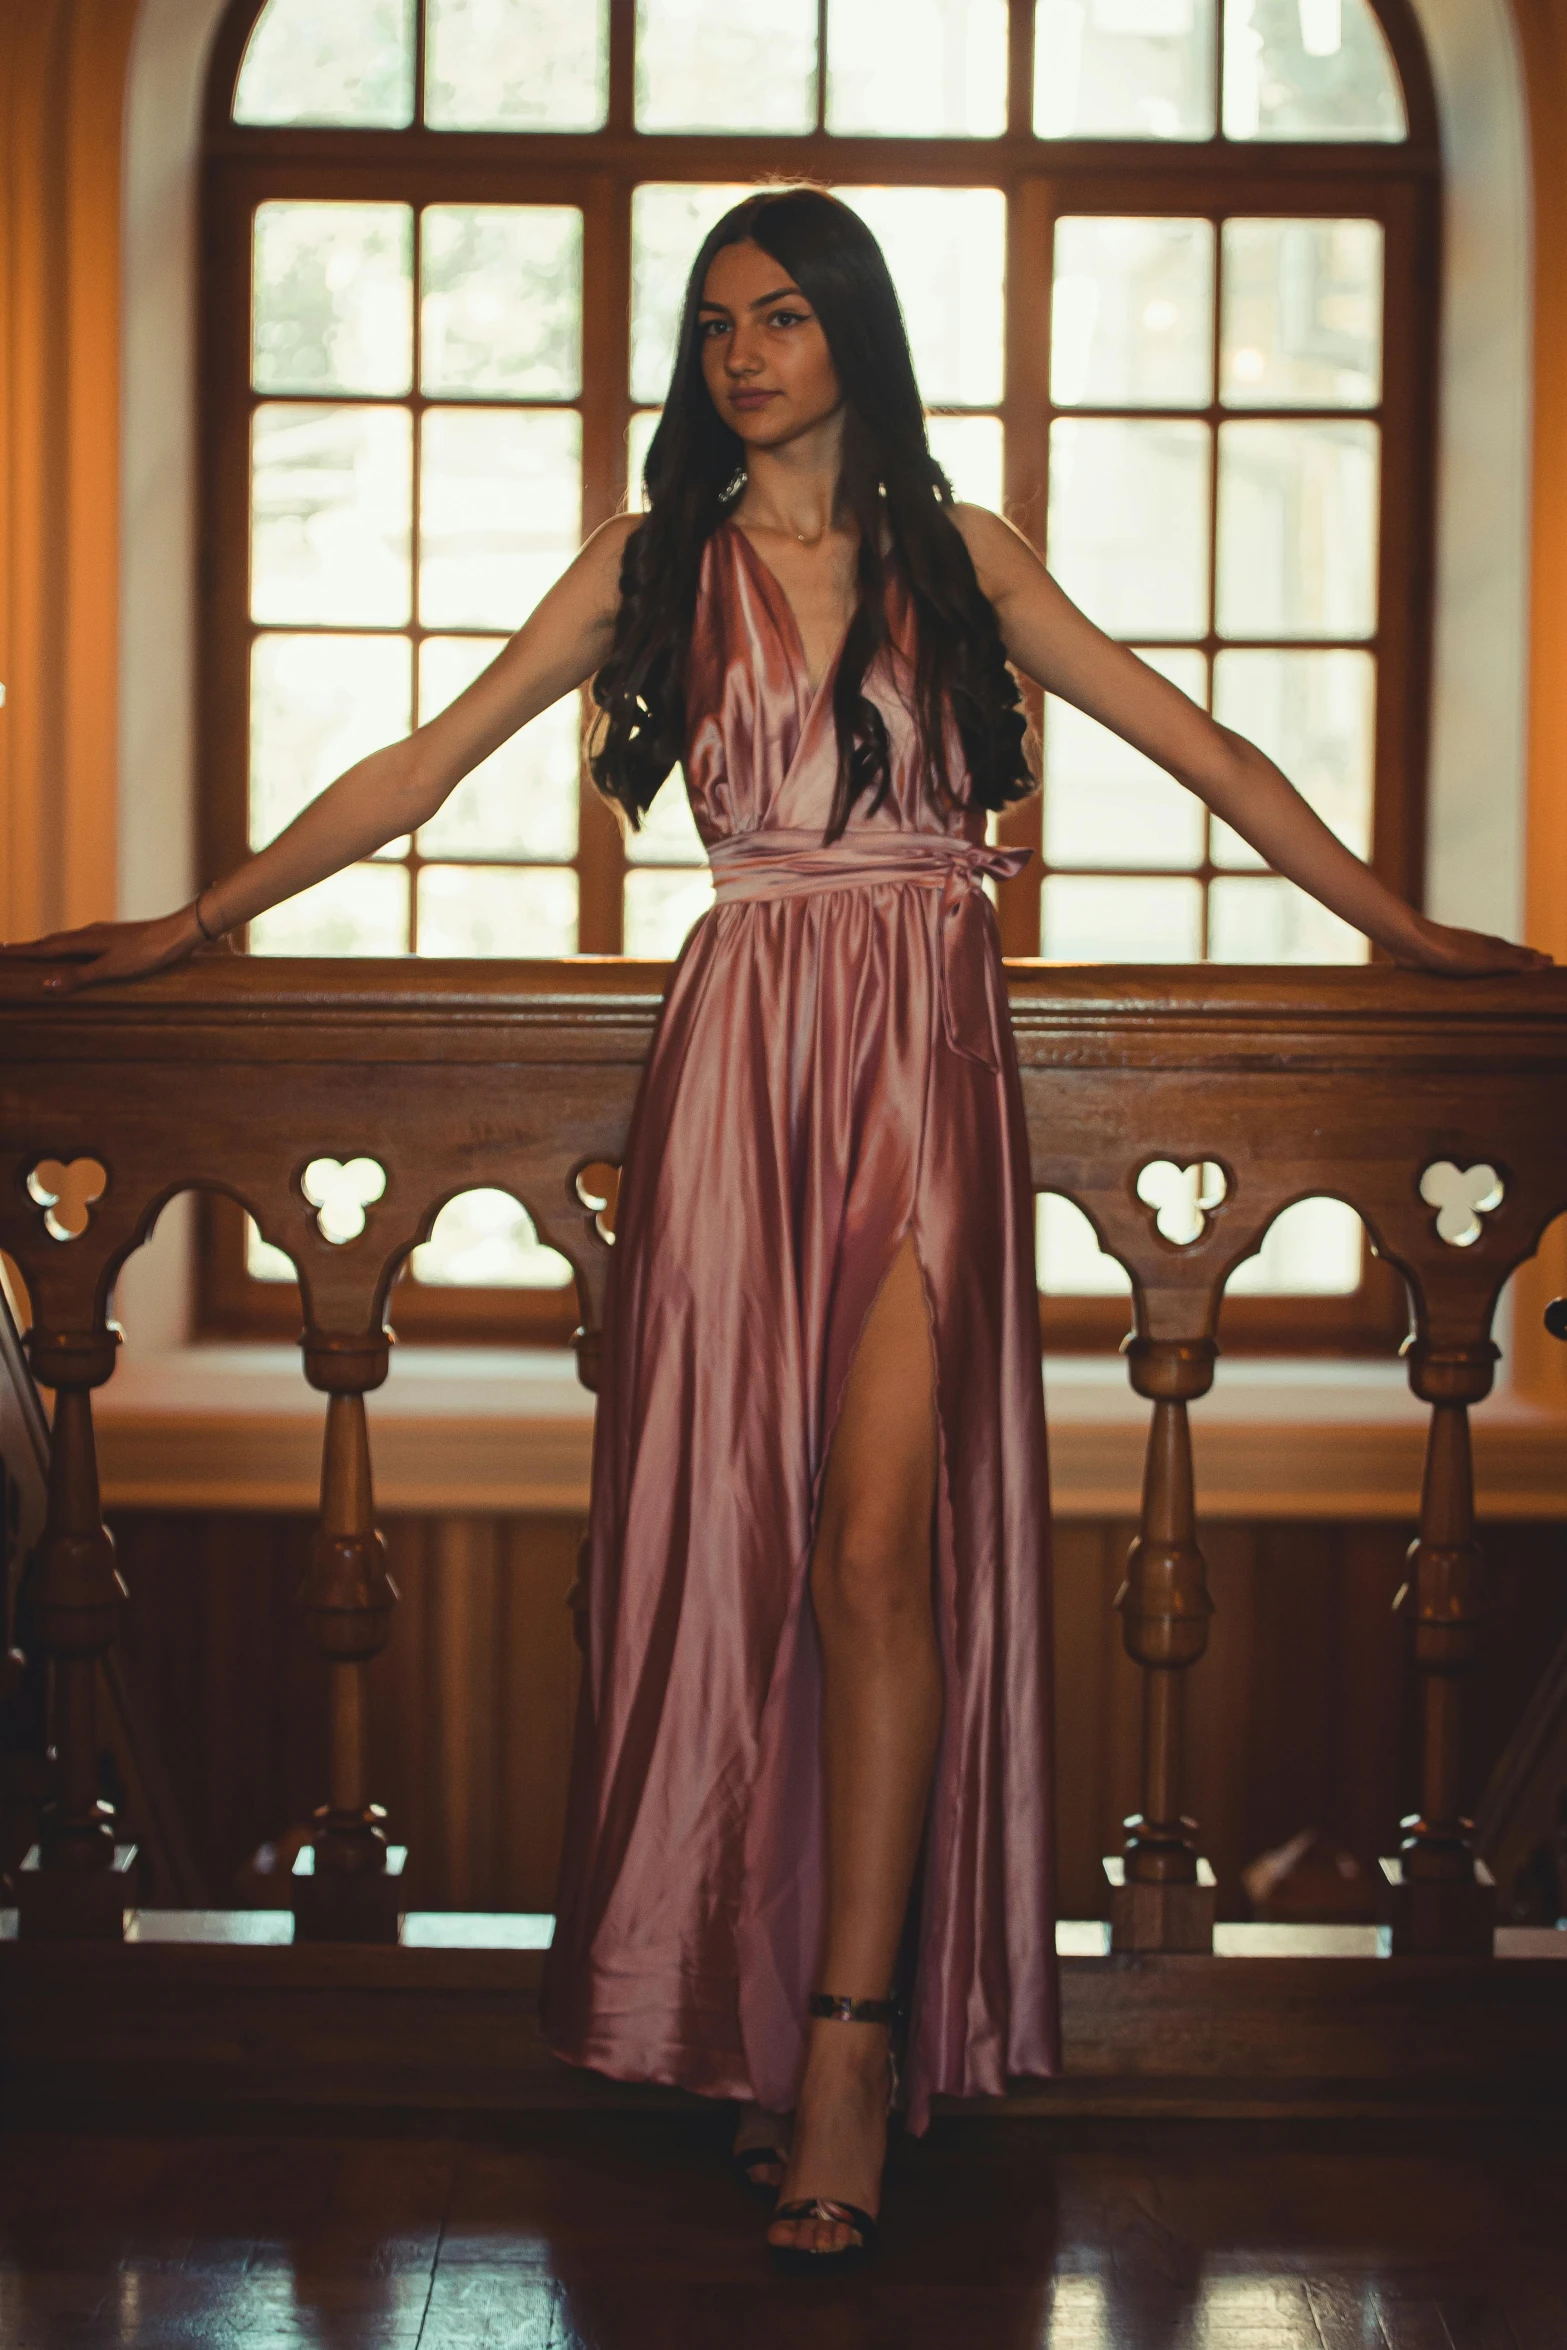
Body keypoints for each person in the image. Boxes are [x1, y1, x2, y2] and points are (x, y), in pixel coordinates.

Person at [5, 186, 1547, 2274]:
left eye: (787, 316)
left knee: (872, 1546)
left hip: (922, 1058)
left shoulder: (960, 558)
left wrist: (1413, 937)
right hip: (740, 1063)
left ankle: (848, 2046)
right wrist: (193, 924)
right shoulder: (656, 568)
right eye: (720, 321)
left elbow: (1199, 740)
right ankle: (757, 2020)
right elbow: (420, 761)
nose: (746, 352)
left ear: (856, 338)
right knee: (740, 1555)